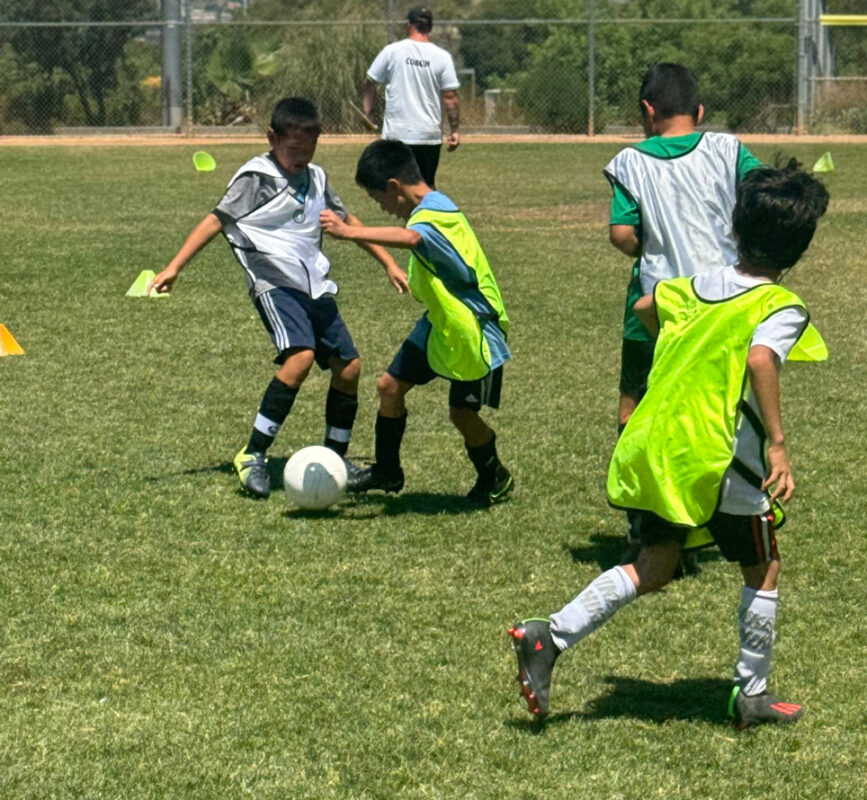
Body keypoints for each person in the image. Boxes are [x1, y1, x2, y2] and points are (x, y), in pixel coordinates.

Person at [508, 160, 829, 728]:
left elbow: (645, 307)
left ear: (735, 228)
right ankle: (751, 693)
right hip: (719, 458)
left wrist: (683, 356)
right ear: (798, 250)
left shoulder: (693, 287)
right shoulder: (779, 305)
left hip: (662, 448)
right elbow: (761, 359)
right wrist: (777, 444)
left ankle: (548, 636)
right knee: (763, 566)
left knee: (654, 564)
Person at [150, 97, 407, 499]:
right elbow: (217, 219)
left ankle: (334, 459)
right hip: (272, 281)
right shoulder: (257, 177)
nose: (302, 158)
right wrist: (174, 267)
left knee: (349, 367)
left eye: (310, 149)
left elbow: (346, 221)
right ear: (272, 138)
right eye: (293, 149)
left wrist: (388, 262)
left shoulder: (317, 178)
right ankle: (252, 453)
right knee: (300, 357)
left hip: (312, 284)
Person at [605, 63, 763, 567]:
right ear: (699, 111)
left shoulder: (630, 161)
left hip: (656, 310)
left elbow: (622, 234)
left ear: (647, 110)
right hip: (724, 308)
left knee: (637, 411)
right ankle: (710, 519)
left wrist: (649, 243)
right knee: (712, 414)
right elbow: (763, 197)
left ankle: (648, 527)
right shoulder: (729, 149)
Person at [319, 139, 512, 506]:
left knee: (462, 413)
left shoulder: (434, 216)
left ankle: (495, 476)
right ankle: (387, 471)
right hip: (442, 320)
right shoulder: (432, 205)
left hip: (474, 327)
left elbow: (411, 237)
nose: (382, 208)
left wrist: (349, 231)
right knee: (389, 386)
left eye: (379, 199)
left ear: (394, 186)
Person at [363, 6, 460, 189]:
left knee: (397, 187)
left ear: (408, 24)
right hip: (429, 136)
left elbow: (370, 82)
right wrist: (454, 130)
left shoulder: (392, 51)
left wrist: (368, 115)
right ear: (430, 27)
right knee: (426, 187)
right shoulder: (442, 57)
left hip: (398, 135)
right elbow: (450, 97)